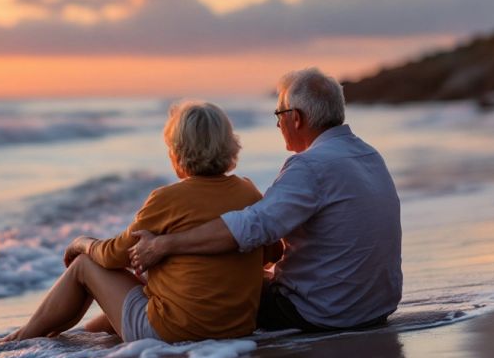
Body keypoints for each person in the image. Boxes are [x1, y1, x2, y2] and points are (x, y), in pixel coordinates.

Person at [0, 101, 280, 348]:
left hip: (177, 333)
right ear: (229, 144)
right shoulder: (248, 191)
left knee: (83, 266)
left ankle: (17, 340)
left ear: (178, 151)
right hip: (236, 327)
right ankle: (66, 338)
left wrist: (80, 242)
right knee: (136, 296)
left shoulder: (167, 199)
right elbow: (270, 253)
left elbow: (111, 256)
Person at [129, 68, 402, 332]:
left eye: (279, 114)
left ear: (295, 118)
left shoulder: (309, 166)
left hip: (326, 312)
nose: (278, 123)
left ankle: (106, 342)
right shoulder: (369, 155)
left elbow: (250, 228)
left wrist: (165, 244)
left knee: (197, 286)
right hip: (375, 306)